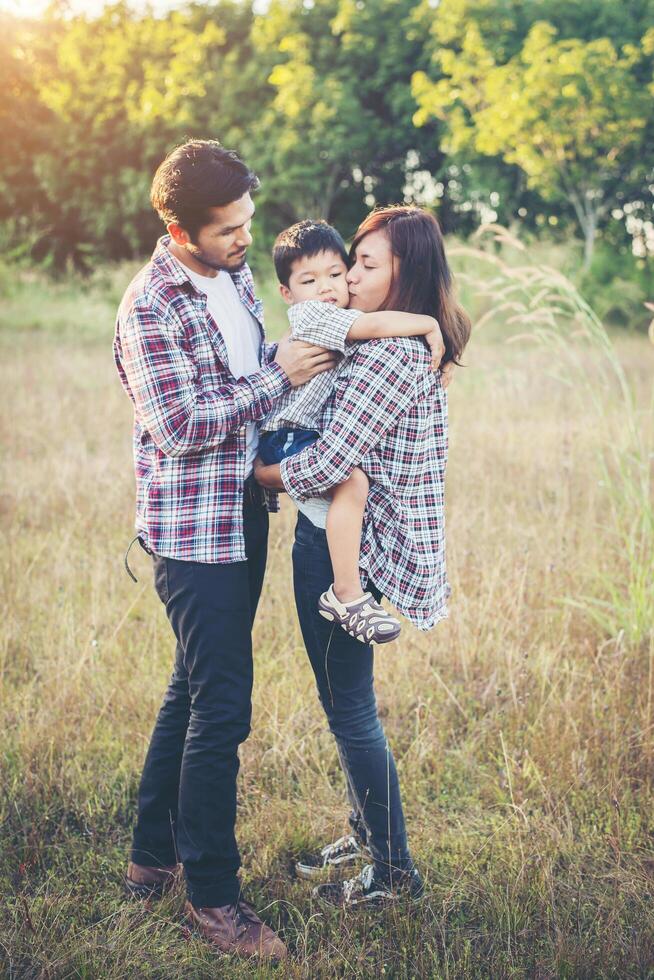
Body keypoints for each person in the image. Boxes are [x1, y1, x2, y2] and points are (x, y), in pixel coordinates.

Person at [113, 140, 338, 963]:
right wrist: (279, 375)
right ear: (178, 229)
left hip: (241, 512)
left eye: (248, 220)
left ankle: (149, 858)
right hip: (189, 532)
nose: (245, 239)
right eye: (226, 229)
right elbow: (178, 428)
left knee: (191, 685)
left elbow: (245, 384)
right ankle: (212, 897)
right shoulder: (149, 306)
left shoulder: (236, 273)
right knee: (223, 707)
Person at [255, 205, 471, 908]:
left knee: (349, 709)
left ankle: (394, 870)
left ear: (406, 275)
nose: (348, 280)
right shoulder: (379, 345)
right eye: (351, 264)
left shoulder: (389, 353)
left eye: (365, 267)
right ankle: (367, 834)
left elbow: (331, 463)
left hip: (340, 548)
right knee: (341, 699)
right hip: (346, 537)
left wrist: (260, 476)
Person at [258, 219, 445, 645]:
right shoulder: (316, 315)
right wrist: (426, 323)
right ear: (288, 292)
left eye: (339, 272)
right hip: (288, 433)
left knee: (346, 699)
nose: (335, 284)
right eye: (310, 279)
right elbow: (372, 327)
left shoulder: (375, 341)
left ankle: (346, 590)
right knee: (351, 479)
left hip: (300, 440)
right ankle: (345, 592)